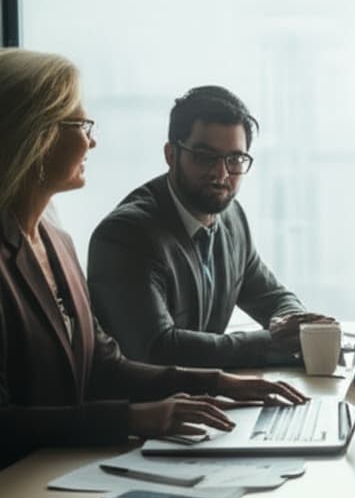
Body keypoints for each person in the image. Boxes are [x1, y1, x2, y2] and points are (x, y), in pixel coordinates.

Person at [0, 49, 307, 470]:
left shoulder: (56, 239)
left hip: (66, 464)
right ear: (32, 135)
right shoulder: (123, 233)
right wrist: (132, 417)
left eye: (233, 160)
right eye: (80, 125)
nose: (92, 139)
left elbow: (102, 364)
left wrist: (218, 383)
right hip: (22, 484)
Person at [88, 85, 332, 369]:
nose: (221, 174)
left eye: (235, 159)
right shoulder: (127, 234)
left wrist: (297, 326)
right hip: (154, 408)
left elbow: (274, 297)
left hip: (208, 398)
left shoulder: (231, 217)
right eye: (205, 157)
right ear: (171, 154)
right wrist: (272, 341)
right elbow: (157, 348)